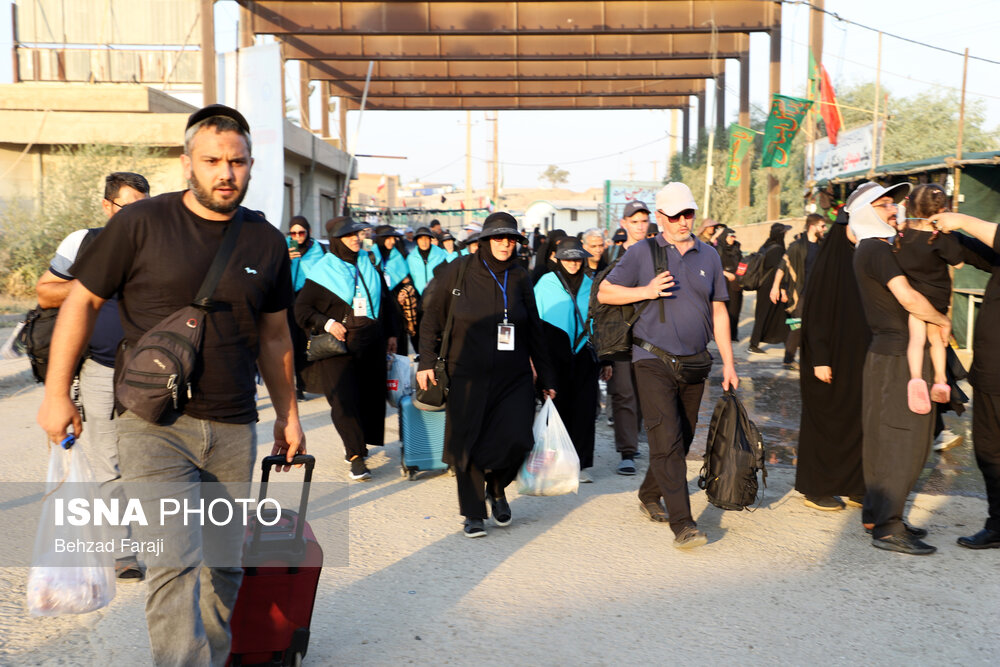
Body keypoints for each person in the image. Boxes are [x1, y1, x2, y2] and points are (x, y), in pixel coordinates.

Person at [37, 104, 305, 665]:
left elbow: (276, 335)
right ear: (188, 163)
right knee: (173, 564)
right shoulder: (138, 225)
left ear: (251, 165)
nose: (224, 173)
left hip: (233, 426)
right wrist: (57, 392)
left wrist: (289, 415)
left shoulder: (266, 241)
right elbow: (81, 301)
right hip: (152, 425)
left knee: (222, 566)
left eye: (236, 161)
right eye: (212, 161)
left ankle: (213, 653)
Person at [598, 182, 738, 549]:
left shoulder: (708, 255)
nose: (682, 221)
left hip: (695, 363)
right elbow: (605, 292)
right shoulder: (643, 253)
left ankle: (648, 492)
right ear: (660, 217)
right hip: (651, 359)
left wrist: (729, 362)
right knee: (666, 438)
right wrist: (645, 291)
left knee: (683, 437)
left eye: (687, 213)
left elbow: (719, 310)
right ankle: (683, 524)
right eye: (674, 215)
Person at [35, 171, 150, 582]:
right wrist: (92, 286)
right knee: (109, 463)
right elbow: (46, 292)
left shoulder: (160, 245)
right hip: (100, 371)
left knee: (155, 457)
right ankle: (126, 549)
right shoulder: (84, 242)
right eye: (128, 205)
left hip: (153, 374)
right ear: (107, 206)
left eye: (143, 204)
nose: (137, 213)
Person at [417, 212, 556, 538]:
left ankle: (496, 486)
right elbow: (431, 320)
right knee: (468, 444)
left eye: (511, 238)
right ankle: (474, 513)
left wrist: (548, 377)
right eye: (498, 237)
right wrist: (425, 362)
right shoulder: (459, 271)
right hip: (465, 373)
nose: (505, 244)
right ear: (484, 241)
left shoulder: (521, 276)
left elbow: (534, 329)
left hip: (514, 376)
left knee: (518, 439)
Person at [848, 181, 950, 555]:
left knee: (882, 439)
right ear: (864, 212)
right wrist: (942, 321)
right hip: (899, 359)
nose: (895, 210)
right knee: (905, 441)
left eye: (894, 203)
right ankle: (889, 527)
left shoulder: (868, 248)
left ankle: (878, 516)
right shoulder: (877, 250)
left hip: (884, 355)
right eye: (885, 205)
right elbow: (908, 298)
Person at [295, 217, 397, 481]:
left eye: (356, 233)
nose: (354, 238)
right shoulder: (322, 271)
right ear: (336, 241)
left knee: (367, 397)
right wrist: (327, 323)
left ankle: (357, 444)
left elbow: (385, 300)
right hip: (337, 348)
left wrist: (392, 333)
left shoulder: (369, 262)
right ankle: (355, 456)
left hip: (371, 344)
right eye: (347, 235)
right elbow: (302, 310)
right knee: (344, 401)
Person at [929, 209, 1000, 548]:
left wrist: (961, 219)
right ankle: (998, 525)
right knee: (988, 451)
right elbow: (980, 252)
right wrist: (947, 236)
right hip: (989, 373)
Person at [794, 209, 868, 511]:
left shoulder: (858, 257)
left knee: (855, 421)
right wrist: (821, 358)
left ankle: (855, 486)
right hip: (826, 359)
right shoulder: (830, 264)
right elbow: (818, 317)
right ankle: (816, 488)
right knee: (824, 424)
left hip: (854, 357)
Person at [534, 237, 611, 483]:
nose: (573, 263)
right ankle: (555, 462)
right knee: (556, 407)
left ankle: (581, 463)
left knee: (585, 409)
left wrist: (606, 359)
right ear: (558, 259)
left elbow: (602, 325)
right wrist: (533, 360)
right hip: (552, 354)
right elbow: (533, 323)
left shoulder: (592, 285)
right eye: (567, 258)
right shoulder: (545, 284)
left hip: (584, 354)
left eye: (577, 258)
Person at [893, 184, 965, 414]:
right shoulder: (940, 237)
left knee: (916, 338)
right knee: (936, 340)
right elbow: (959, 263)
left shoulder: (902, 232)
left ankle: (915, 379)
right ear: (942, 209)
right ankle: (941, 380)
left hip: (914, 296)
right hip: (937, 298)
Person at [605, 200, 651, 475]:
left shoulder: (659, 255)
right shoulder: (613, 257)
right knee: (623, 393)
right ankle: (627, 450)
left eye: (644, 221)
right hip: (619, 337)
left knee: (646, 393)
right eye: (634, 221)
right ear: (624, 224)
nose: (640, 226)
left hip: (651, 337)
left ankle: (634, 439)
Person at [769, 214, 826, 369]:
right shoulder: (797, 246)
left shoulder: (823, 245)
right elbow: (782, 267)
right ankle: (788, 359)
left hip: (817, 294)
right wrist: (776, 287)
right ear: (812, 226)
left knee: (815, 326)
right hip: (799, 294)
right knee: (796, 325)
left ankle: (814, 359)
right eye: (822, 226)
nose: (824, 229)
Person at [287, 215, 326, 399]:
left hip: (310, 300)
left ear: (308, 231)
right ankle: (296, 386)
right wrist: (285, 259)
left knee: (308, 343)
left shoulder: (318, 250)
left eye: (301, 232)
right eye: (293, 232)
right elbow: (271, 271)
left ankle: (308, 384)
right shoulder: (283, 248)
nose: (297, 236)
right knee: (290, 344)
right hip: (288, 300)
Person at [748, 222, 791, 354]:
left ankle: (788, 340)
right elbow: (780, 270)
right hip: (772, 287)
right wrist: (782, 288)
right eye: (784, 233)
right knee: (767, 315)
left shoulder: (765, 246)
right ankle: (753, 344)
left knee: (777, 315)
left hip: (764, 286)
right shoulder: (778, 249)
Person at [372, 224, 415, 354]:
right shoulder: (371, 257)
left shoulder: (397, 256)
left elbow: (407, 280)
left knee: (398, 338)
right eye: (388, 238)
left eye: (393, 238)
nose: (392, 241)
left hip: (396, 304)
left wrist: (404, 289)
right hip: (378, 303)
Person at [716, 227, 743, 342]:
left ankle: (732, 334)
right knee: (723, 309)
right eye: (730, 236)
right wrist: (726, 273)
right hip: (722, 282)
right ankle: (720, 334)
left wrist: (740, 275)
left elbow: (741, 263)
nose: (733, 239)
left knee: (735, 308)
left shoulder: (737, 249)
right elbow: (715, 266)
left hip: (735, 283)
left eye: (734, 236)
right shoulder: (718, 249)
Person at [407, 226, 449, 295]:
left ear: (430, 240)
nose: (424, 242)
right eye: (421, 239)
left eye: (426, 238)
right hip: (418, 297)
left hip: (437, 296)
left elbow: (447, 276)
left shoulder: (441, 255)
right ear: (417, 241)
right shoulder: (411, 258)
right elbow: (410, 279)